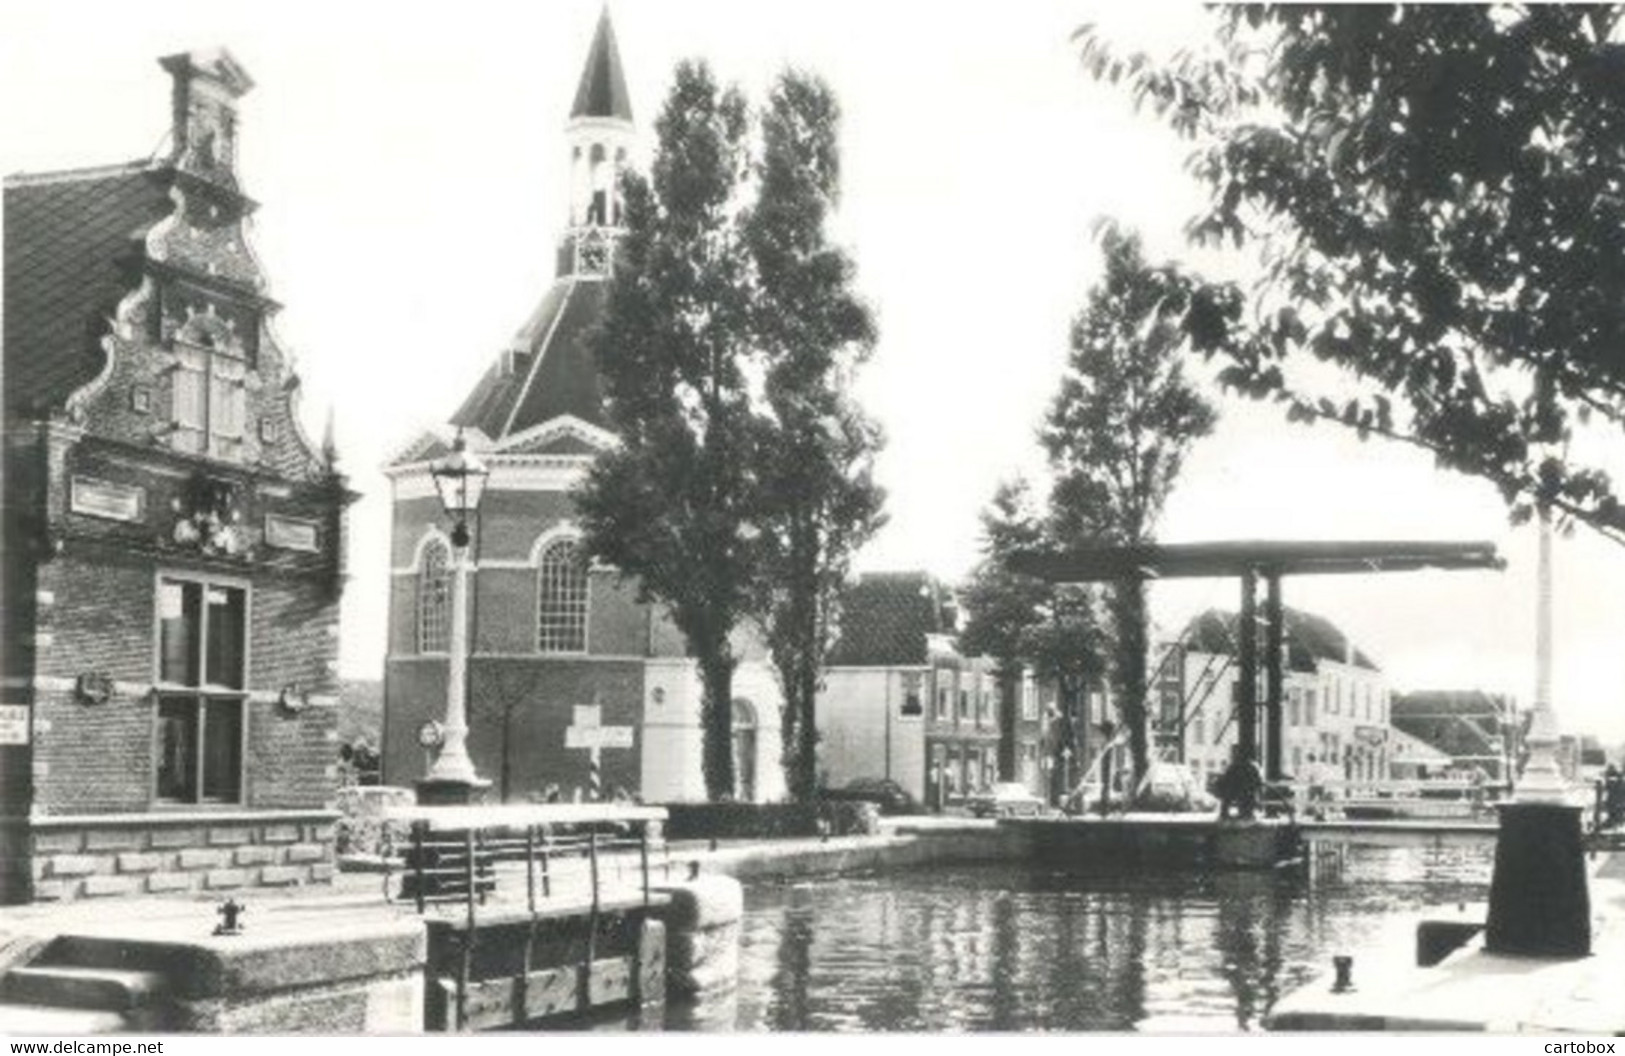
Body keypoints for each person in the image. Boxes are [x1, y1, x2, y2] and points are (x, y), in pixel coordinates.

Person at [1216, 744, 1264, 821]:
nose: (1232, 755)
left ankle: (1225, 812)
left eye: (1234, 753)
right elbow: (1258, 782)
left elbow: (1226, 780)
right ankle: (1245, 812)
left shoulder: (1235, 766)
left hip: (1240, 791)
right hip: (1247, 792)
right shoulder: (1253, 766)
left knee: (1227, 792)